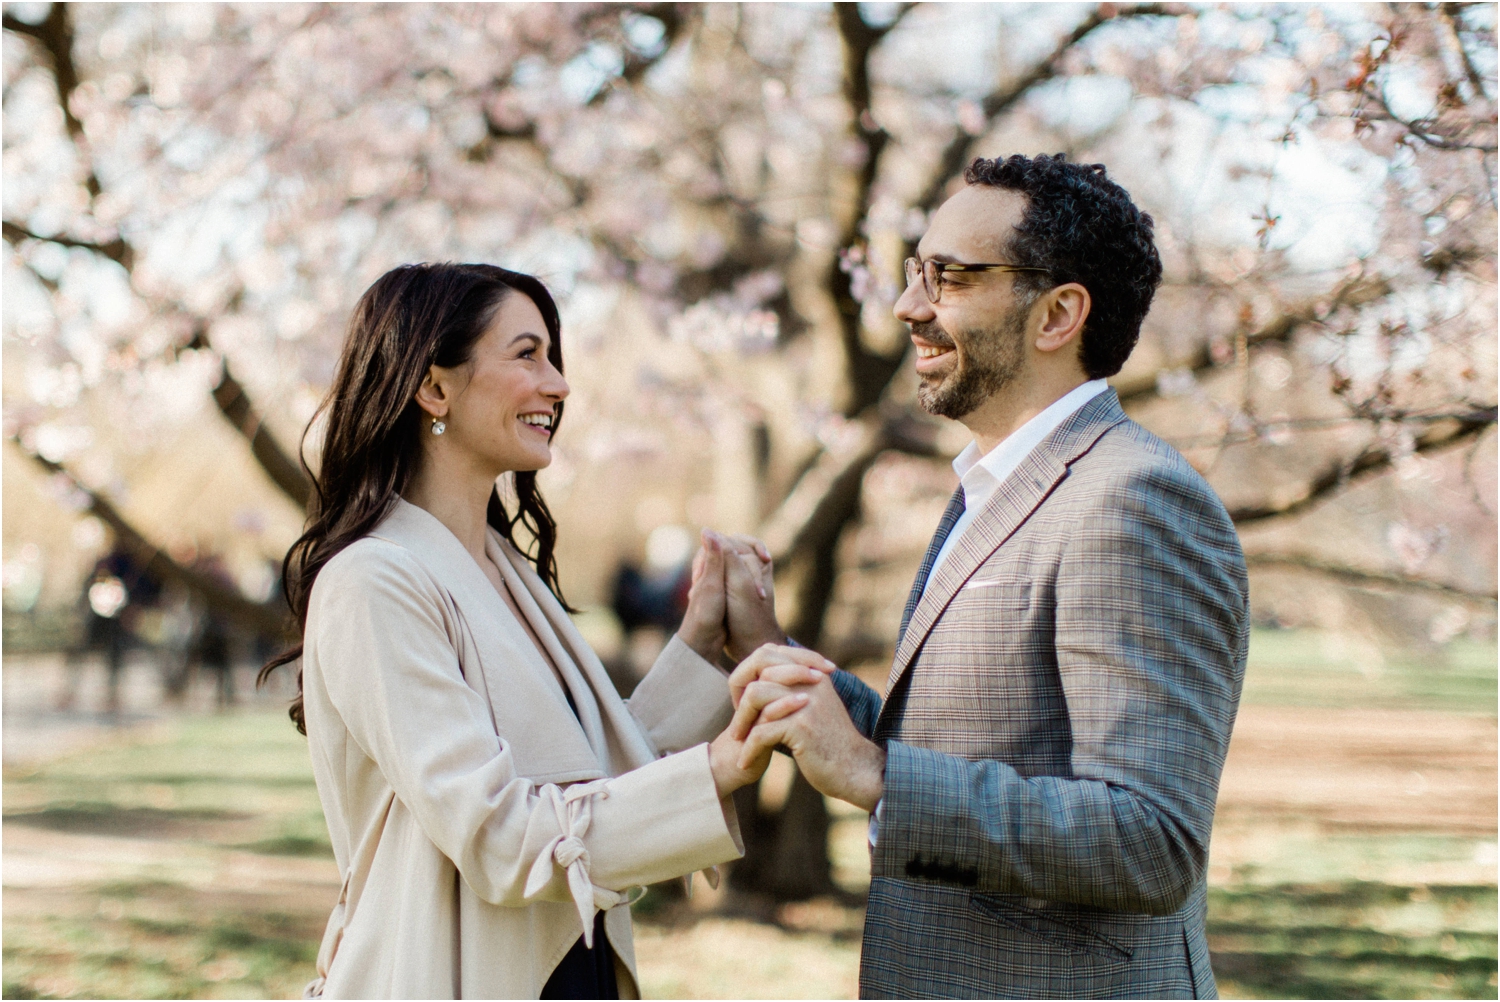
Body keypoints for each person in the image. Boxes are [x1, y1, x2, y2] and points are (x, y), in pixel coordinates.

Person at [727, 154, 1250, 999]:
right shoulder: (996, 483)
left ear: (1057, 315)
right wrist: (775, 659)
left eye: (950, 277)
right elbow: (964, 737)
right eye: (913, 272)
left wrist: (876, 781)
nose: (908, 306)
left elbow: (1152, 840)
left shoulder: (1134, 500)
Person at [260, 263, 818, 999]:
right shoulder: (375, 581)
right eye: (527, 355)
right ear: (434, 388)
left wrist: (702, 647)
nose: (558, 385)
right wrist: (716, 770)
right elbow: (500, 836)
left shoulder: (508, 572)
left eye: (553, 358)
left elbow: (594, 781)